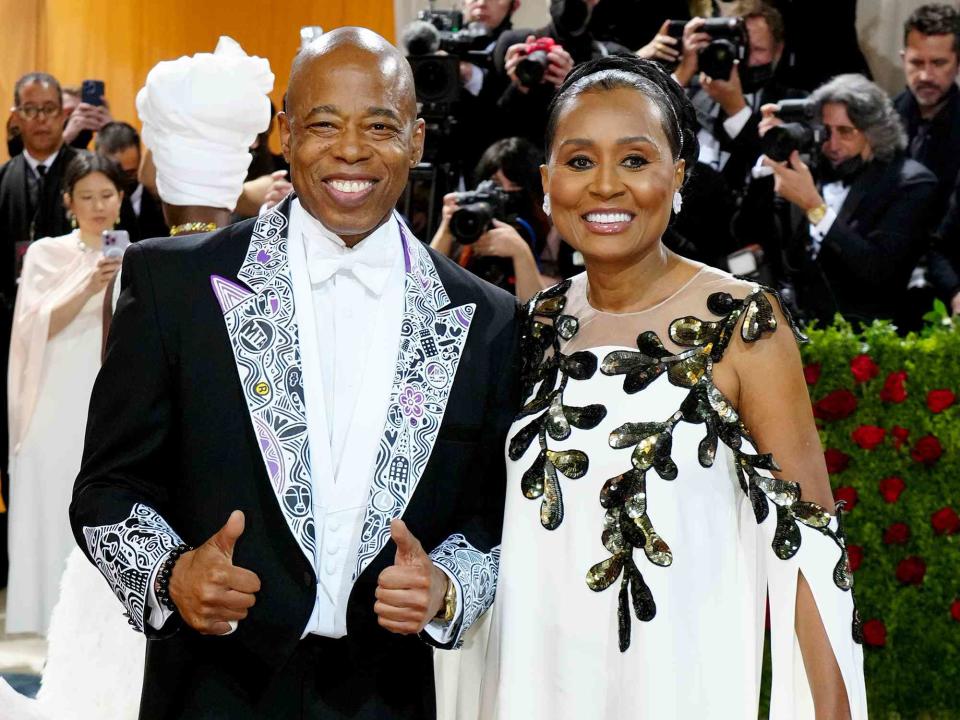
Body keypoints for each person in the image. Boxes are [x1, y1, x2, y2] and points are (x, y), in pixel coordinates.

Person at [71, 27, 518, 720]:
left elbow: (493, 515)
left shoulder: (486, 319)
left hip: (388, 696)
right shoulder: (175, 283)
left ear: (418, 139)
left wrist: (448, 587)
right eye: (323, 125)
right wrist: (169, 573)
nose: (350, 150)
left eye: (379, 125)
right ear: (284, 133)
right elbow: (106, 487)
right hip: (211, 689)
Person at [443, 54, 868, 719]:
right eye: (580, 162)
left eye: (635, 161)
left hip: (681, 686)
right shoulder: (534, 325)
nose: (606, 186)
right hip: (533, 686)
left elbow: (809, 545)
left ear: (677, 177)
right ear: (548, 184)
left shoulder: (740, 322)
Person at [5, 153, 124, 635]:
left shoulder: (137, 253)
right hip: (52, 400)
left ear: (121, 199)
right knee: (50, 502)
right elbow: (31, 326)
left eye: (107, 195)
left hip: (107, 402)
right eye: (87, 196)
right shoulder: (46, 253)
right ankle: (41, 618)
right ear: (69, 202)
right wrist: (85, 285)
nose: (98, 206)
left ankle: (98, 627)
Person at [758, 74, 937, 327]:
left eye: (845, 131)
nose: (832, 144)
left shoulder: (910, 183)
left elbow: (879, 271)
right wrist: (773, 152)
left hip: (866, 339)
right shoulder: (809, 169)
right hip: (797, 328)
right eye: (826, 131)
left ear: (874, 132)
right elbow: (744, 229)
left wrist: (814, 208)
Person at [675, 1, 806, 199]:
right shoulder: (689, 92)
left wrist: (737, 110)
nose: (746, 60)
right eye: (741, 49)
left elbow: (772, 175)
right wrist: (682, 73)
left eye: (759, 50)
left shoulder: (791, 105)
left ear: (778, 50)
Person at [431, 137, 551, 300]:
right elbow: (424, 283)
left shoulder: (548, 231)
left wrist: (520, 253)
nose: (504, 193)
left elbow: (537, 311)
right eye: (495, 184)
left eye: (515, 185)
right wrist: (447, 228)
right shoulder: (467, 221)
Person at [95, 121, 169, 241]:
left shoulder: (164, 197)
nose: (122, 180)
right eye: (115, 173)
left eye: (130, 173)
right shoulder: (89, 205)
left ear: (140, 159)